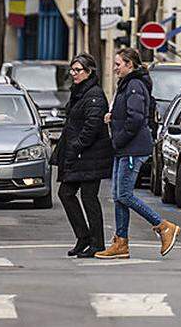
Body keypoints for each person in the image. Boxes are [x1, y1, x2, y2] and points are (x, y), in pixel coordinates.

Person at [96, 47, 181, 259]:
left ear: (129, 65)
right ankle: (121, 242)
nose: (114, 68)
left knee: (124, 194)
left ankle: (163, 226)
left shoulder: (134, 85)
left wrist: (118, 139)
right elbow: (128, 114)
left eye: (118, 64)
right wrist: (113, 117)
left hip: (131, 148)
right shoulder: (128, 84)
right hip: (125, 148)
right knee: (118, 196)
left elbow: (135, 118)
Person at [51, 53, 113, 258]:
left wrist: (76, 146)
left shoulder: (94, 94)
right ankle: (83, 237)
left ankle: (97, 243)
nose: (73, 73)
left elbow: (92, 126)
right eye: (72, 69)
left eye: (78, 70)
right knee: (66, 194)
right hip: (79, 155)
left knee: (88, 198)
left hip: (89, 155)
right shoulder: (80, 91)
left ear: (89, 72)